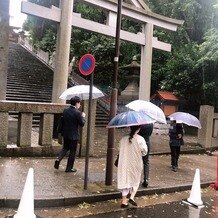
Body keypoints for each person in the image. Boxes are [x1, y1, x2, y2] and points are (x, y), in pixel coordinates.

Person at [117, 125, 147, 208]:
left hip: (124, 162)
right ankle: (132, 197)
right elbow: (144, 152)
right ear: (139, 129)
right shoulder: (140, 139)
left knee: (125, 180)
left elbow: (119, 149)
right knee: (135, 179)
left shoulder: (123, 139)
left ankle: (124, 201)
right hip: (135, 162)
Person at [54, 96, 86, 173]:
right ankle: (69, 168)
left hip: (65, 133)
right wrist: (83, 117)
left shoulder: (66, 110)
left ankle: (58, 158)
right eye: (79, 103)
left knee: (65, 148)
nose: (79, 105)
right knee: (73, 151)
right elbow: (82, 124)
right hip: (73, 135)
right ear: (77, 103)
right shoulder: (78, 113)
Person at [138, 123, 154, 188]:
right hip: (147, 142)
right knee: (146, 162)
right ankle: (146, 179)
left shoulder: (140, 123)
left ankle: (135, 179)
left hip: (139, 143)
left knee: (137, 161)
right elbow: (150, 133)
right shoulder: (151, 123)